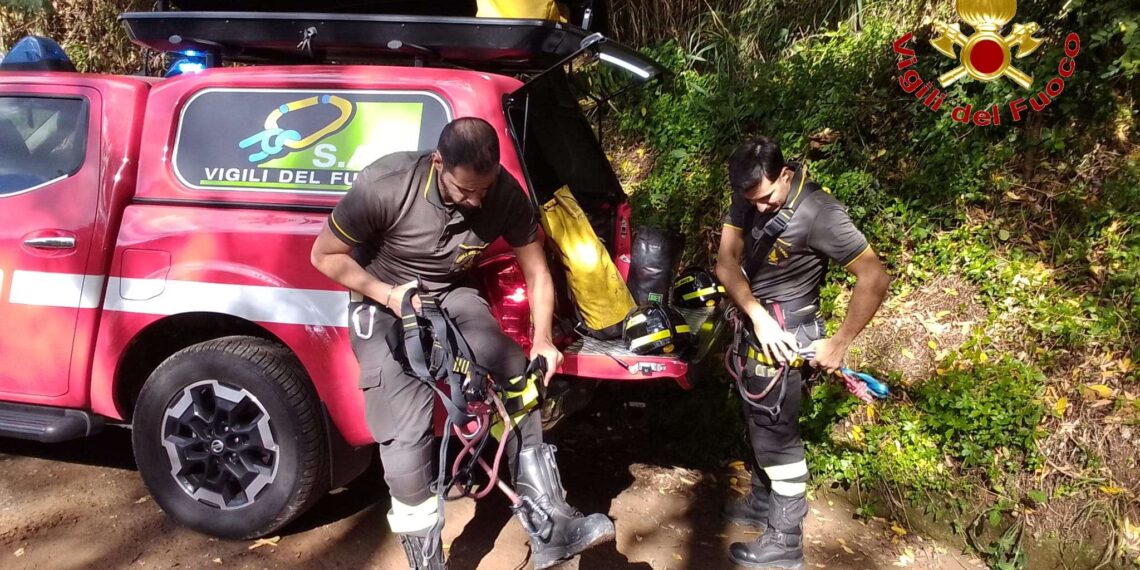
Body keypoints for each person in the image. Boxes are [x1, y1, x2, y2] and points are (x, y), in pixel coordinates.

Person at [310, 117, 615, 569]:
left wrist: (544, 340)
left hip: (449, 290)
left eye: (484, 189)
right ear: (438, 164)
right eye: (463, 190)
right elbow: (323, 255)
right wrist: (389, 295)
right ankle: (427, 562)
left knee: (516, 370)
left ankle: (550, 523)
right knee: (406, 435)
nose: (475, 201)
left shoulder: (503, 192)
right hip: (382, 295)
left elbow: (536, 269)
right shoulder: (387, 185)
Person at [715, 136, 890, 569]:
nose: (757, 208)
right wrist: (755, 315)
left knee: (777, 438)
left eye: (767, 198)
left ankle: (785, 540)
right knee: (760, 424)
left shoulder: (820, 212)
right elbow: (725, 262)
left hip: (789, 339)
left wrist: (840, 341)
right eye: (749, 200)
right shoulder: (747, 195)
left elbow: (873, 277)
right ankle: (762, 503)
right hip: (758, 330)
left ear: (787, 175)